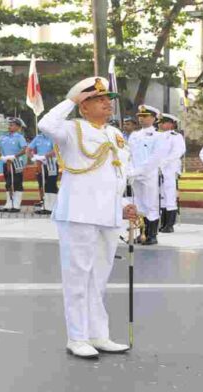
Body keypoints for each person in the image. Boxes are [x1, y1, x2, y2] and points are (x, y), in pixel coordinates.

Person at [37, 76, 134, 359]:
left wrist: (125, 205)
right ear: (84, 106)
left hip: (109, 213)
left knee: (99, 279)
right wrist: (71, 99)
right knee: (77, 277)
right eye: (99, 99)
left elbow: (119, 174)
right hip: (79, 213)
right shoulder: (71, 129)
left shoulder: (115, 134)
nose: (107, 103)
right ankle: (77, 337)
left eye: (108, 100)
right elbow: (45, 125)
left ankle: (98, 334)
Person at [129, 104, 167, 245]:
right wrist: (130, 170)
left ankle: (152, 235)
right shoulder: (134, 135)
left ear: (153, 118)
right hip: (135, 174)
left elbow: (155, 158)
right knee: (139, 204)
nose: (142, 119)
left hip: (148, 174)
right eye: (140, 116)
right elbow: (129, 154)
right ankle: (142, 233)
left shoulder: (159, 137)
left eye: (145, 116)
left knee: (151, 204)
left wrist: (137, 170)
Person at [157, 113, 186, 233]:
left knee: (170, 195)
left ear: (170, 124)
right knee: (161, 195)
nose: (161, 125)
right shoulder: (157, 136)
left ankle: (170, 224)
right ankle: (163, 223)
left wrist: (164, 161)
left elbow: (178, 152)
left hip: (170, 169)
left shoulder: (176, 136)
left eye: (163, 122)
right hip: (159, 169)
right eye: (160, 122)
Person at [0, 117, 28, 213]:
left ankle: (16, 204)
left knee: (17, 182)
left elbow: (24, 149)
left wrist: (14, 156)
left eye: (12, 125)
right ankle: (9, 203)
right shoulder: (3, 137)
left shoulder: (19, 137)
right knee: (8, 182)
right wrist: (1, 157)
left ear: (18, 127)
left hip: (16, 162)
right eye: (9, 125)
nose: (9, 126)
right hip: (6, 162)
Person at [27, 131, 59, 215]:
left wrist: (45, 156)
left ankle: (52, 207)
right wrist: (32, 157)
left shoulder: (53, 137)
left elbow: (56, 150)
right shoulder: (38, 137)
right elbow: (28, 149)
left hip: (51, 164)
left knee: (51, 185)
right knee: (42, 185)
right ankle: (45, 206)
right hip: (40, 164)